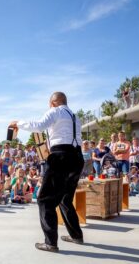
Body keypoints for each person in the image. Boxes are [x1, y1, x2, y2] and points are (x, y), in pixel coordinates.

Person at [10, 92, 84, 252]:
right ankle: (76, 235)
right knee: (65, 199)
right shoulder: (75, 116)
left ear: (53, 103)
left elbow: (39, 125)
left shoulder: (56, 111)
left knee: (44, 199)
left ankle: (50, 242)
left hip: (61, 157)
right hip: (77, 158)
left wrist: (18, 123)